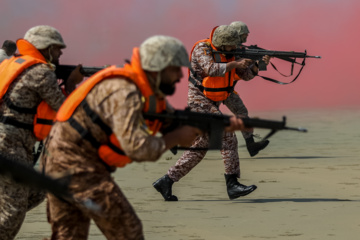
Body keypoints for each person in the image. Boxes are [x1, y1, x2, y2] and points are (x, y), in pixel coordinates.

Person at [153, 25, 270, 202]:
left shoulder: (229, 53)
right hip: (199, 102)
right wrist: (236, 63)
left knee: (199, 149)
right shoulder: (202, 49)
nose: (235, 48)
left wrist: (257, 66)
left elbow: (243, 75)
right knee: (228, 135)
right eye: (232, 46)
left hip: (211, 103)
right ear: (223, 44)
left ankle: (166, 181)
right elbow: (211, 69)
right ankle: (232, 184)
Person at [0, 25, 83, 240]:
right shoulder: (40, 73)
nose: (60, 54)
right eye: (57, 49)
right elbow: (64, 110)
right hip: (11, 145)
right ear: (46, 48)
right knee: (12, 214)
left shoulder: (10, 64)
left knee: (37, 190)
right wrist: (72, 84)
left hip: (10, 144)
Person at [223, 20, 270, 157]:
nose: (246, 38)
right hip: (209, 90)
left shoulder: (241, 52)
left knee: (242, 112)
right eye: (244, 35)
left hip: (226, 89)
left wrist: (257, 65)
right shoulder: (223, 50)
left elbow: (245, 76)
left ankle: (251, 145)